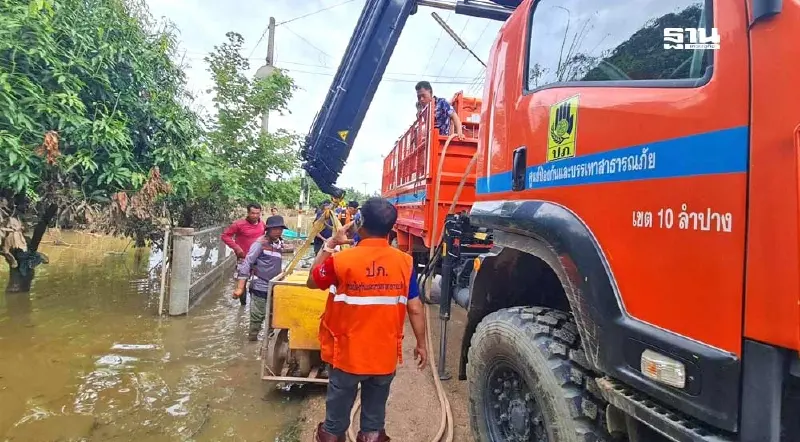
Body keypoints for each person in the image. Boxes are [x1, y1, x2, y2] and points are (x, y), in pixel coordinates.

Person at [307, 198, 428, 442]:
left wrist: (331, 242)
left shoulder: (341, 261)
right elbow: (415, 308)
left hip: (347, 357)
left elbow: (312, 281)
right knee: (374, 426)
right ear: (391, 227)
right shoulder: (405, 263)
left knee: (334, 425)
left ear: (360, 222)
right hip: (383, 358)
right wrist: (421, 344)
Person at [233, 215, 291, 341]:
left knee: (273, 316)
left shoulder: (279, 243)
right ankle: (252, 340)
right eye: (275, 229)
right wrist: (240, 287)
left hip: (274, 286)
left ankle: (270, 342)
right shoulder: (259, 244)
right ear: (268, 230)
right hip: (260, 285)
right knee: (257, 316)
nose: (278, 231)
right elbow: (247, 263)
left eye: (280, 229)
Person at [221, 203, 265, 305]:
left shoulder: (262, 224)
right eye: (252, 213)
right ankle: (243, 304)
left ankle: (256, 304)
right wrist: (236, 248)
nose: (255, 216)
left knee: (259, 281)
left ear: (260, 213)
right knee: (242, 282)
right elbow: (225, 236)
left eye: (257, 213)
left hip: (258, 259)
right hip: (243, 258)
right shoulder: (238, 224)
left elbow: (266, 237)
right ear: (248, 213)